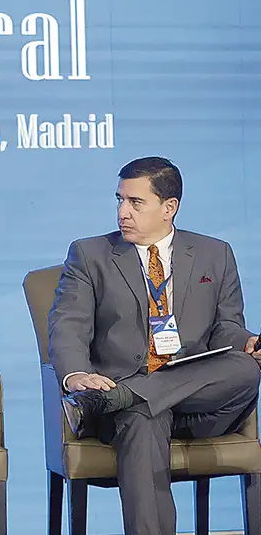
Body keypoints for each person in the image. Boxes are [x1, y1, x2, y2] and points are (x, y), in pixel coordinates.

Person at [49, 157, 261, 535]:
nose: (122, 212)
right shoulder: (90, 254)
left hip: (198, 404)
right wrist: (75, 374)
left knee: (246, 368)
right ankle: (130, 397)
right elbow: (68, 324)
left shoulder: (215, 253)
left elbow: (226, 327)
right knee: (143, 417)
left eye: (135, 202)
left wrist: (247, 342)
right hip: (129, 411)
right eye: (120, 200)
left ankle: (125, 395)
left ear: (169, 207)